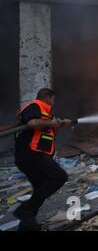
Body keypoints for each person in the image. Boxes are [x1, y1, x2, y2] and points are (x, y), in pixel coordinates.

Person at [13, 88, 73, 231]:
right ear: (48, 98)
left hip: (32, 157)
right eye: (53, 100)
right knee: (59, 177)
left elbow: (44, 129)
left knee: (40, 190)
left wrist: (61, 124)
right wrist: (52, 123)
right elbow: (33, 123)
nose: (53, 103)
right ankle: (24, 211)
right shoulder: (35, 106)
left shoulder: (45, 115)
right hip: (32, 155)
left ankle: (26, 226)